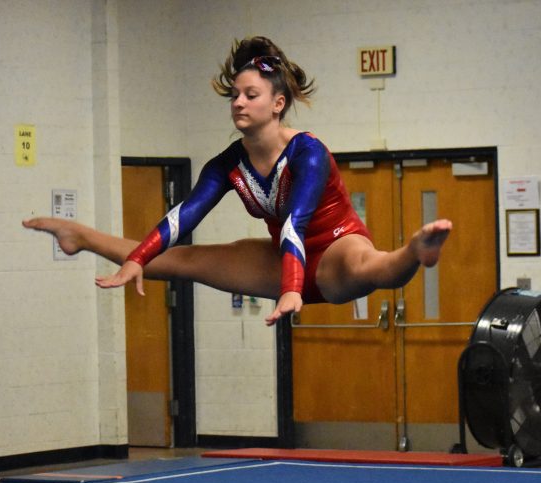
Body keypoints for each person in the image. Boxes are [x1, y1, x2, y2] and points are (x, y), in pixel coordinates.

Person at [23, 36, 452, 326]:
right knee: (183, 261)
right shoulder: (227, 164)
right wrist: (137, 258)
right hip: (281, 257)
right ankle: (79, 235)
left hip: (335, 247)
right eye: (235, 95)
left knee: (371, 268)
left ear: (277, 103)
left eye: (251, 95)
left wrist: (291, 289)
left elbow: (295, 224)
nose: (239, 103)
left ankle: (415, 251)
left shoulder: (308, 152)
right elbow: (183, 216)